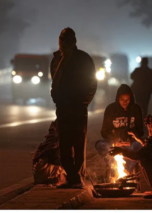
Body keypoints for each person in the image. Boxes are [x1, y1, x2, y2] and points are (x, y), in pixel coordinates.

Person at [50, 27, 97, 189]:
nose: (63, 44)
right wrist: (55, 97)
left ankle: (75, 177)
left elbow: (92, 83)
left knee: (78, 145)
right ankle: (72, 176)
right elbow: (54, 82)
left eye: (67, 41)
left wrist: (84, 102)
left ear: (73, 42)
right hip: (63, 108)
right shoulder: (57, 59)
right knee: (64, 145)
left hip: (77, 108)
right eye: (62, 40)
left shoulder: (83, 59)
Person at [95, 84, 144, 180]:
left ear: (131, 99)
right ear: (117, 98)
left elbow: (141, 131)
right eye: (122, 99)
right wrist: (114, 140)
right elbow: (104, 132)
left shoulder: (136, 109)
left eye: (127, 99)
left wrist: (132, 137)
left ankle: (126, 173)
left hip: (131, 144)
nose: (125, 102)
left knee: (142, 147)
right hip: (114, 144)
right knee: (100, 145)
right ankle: (116, 172)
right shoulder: (111, 109)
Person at [32, 120, 66, 185]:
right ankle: (56, 178)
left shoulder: (50, 140)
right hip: (46, 175)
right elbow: (54, 158)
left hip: (41, 175)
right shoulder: (56, 142)